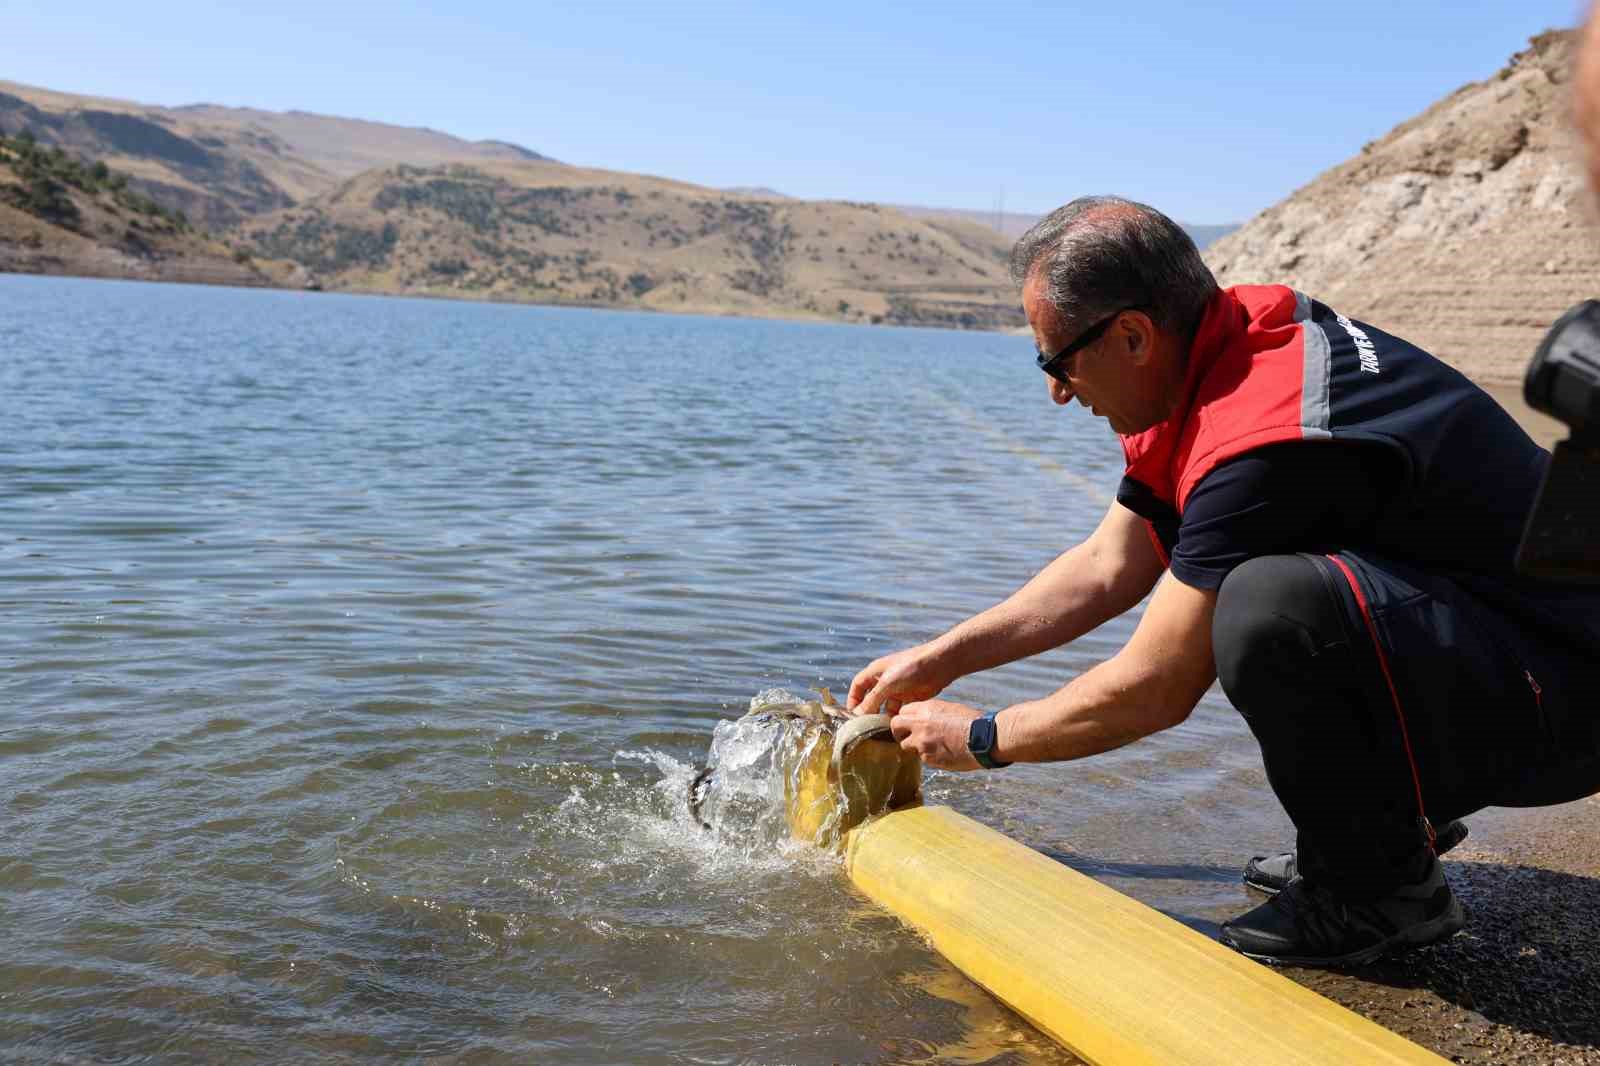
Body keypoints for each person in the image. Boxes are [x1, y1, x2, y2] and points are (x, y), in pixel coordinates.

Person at [846, 196, 1600, 968]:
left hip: (1566, 710)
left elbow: (1153, 688)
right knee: (1276, 594)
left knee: (1267, 609)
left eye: (1057, 361)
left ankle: (1378, 892)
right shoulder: (1222, 349)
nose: (1057, 393)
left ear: (1133, 335)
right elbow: (1109, 564)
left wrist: (978, 738)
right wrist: (940, 659)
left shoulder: (1261, 437)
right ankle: (1370, 839)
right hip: (1513, 653)